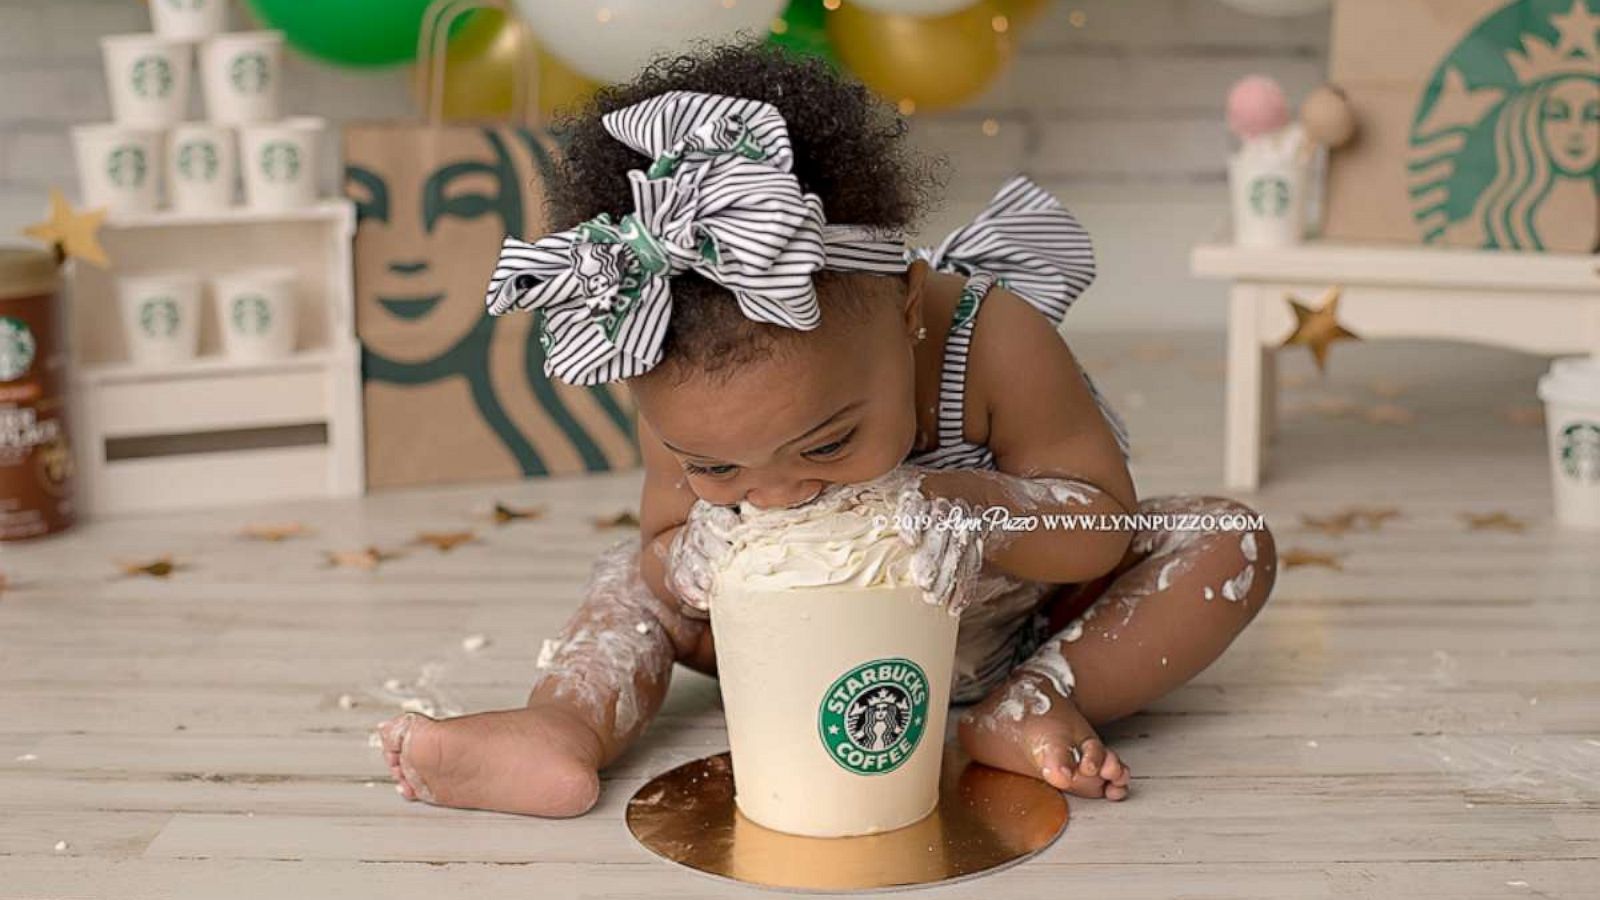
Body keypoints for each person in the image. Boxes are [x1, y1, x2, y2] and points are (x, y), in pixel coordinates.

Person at [379, 43, 1277, 817]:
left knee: (1227, 541)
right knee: (626, 583)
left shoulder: (990, 337)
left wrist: (985, 512)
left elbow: (1102, 524)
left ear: (902, 311)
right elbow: (659, 540)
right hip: (786, 649)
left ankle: (1032, 700)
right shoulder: (673, 368)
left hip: (1021, 621)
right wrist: (688, 559)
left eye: (828, 444)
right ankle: (566, 722)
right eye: (717, 465)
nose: (775, 491)